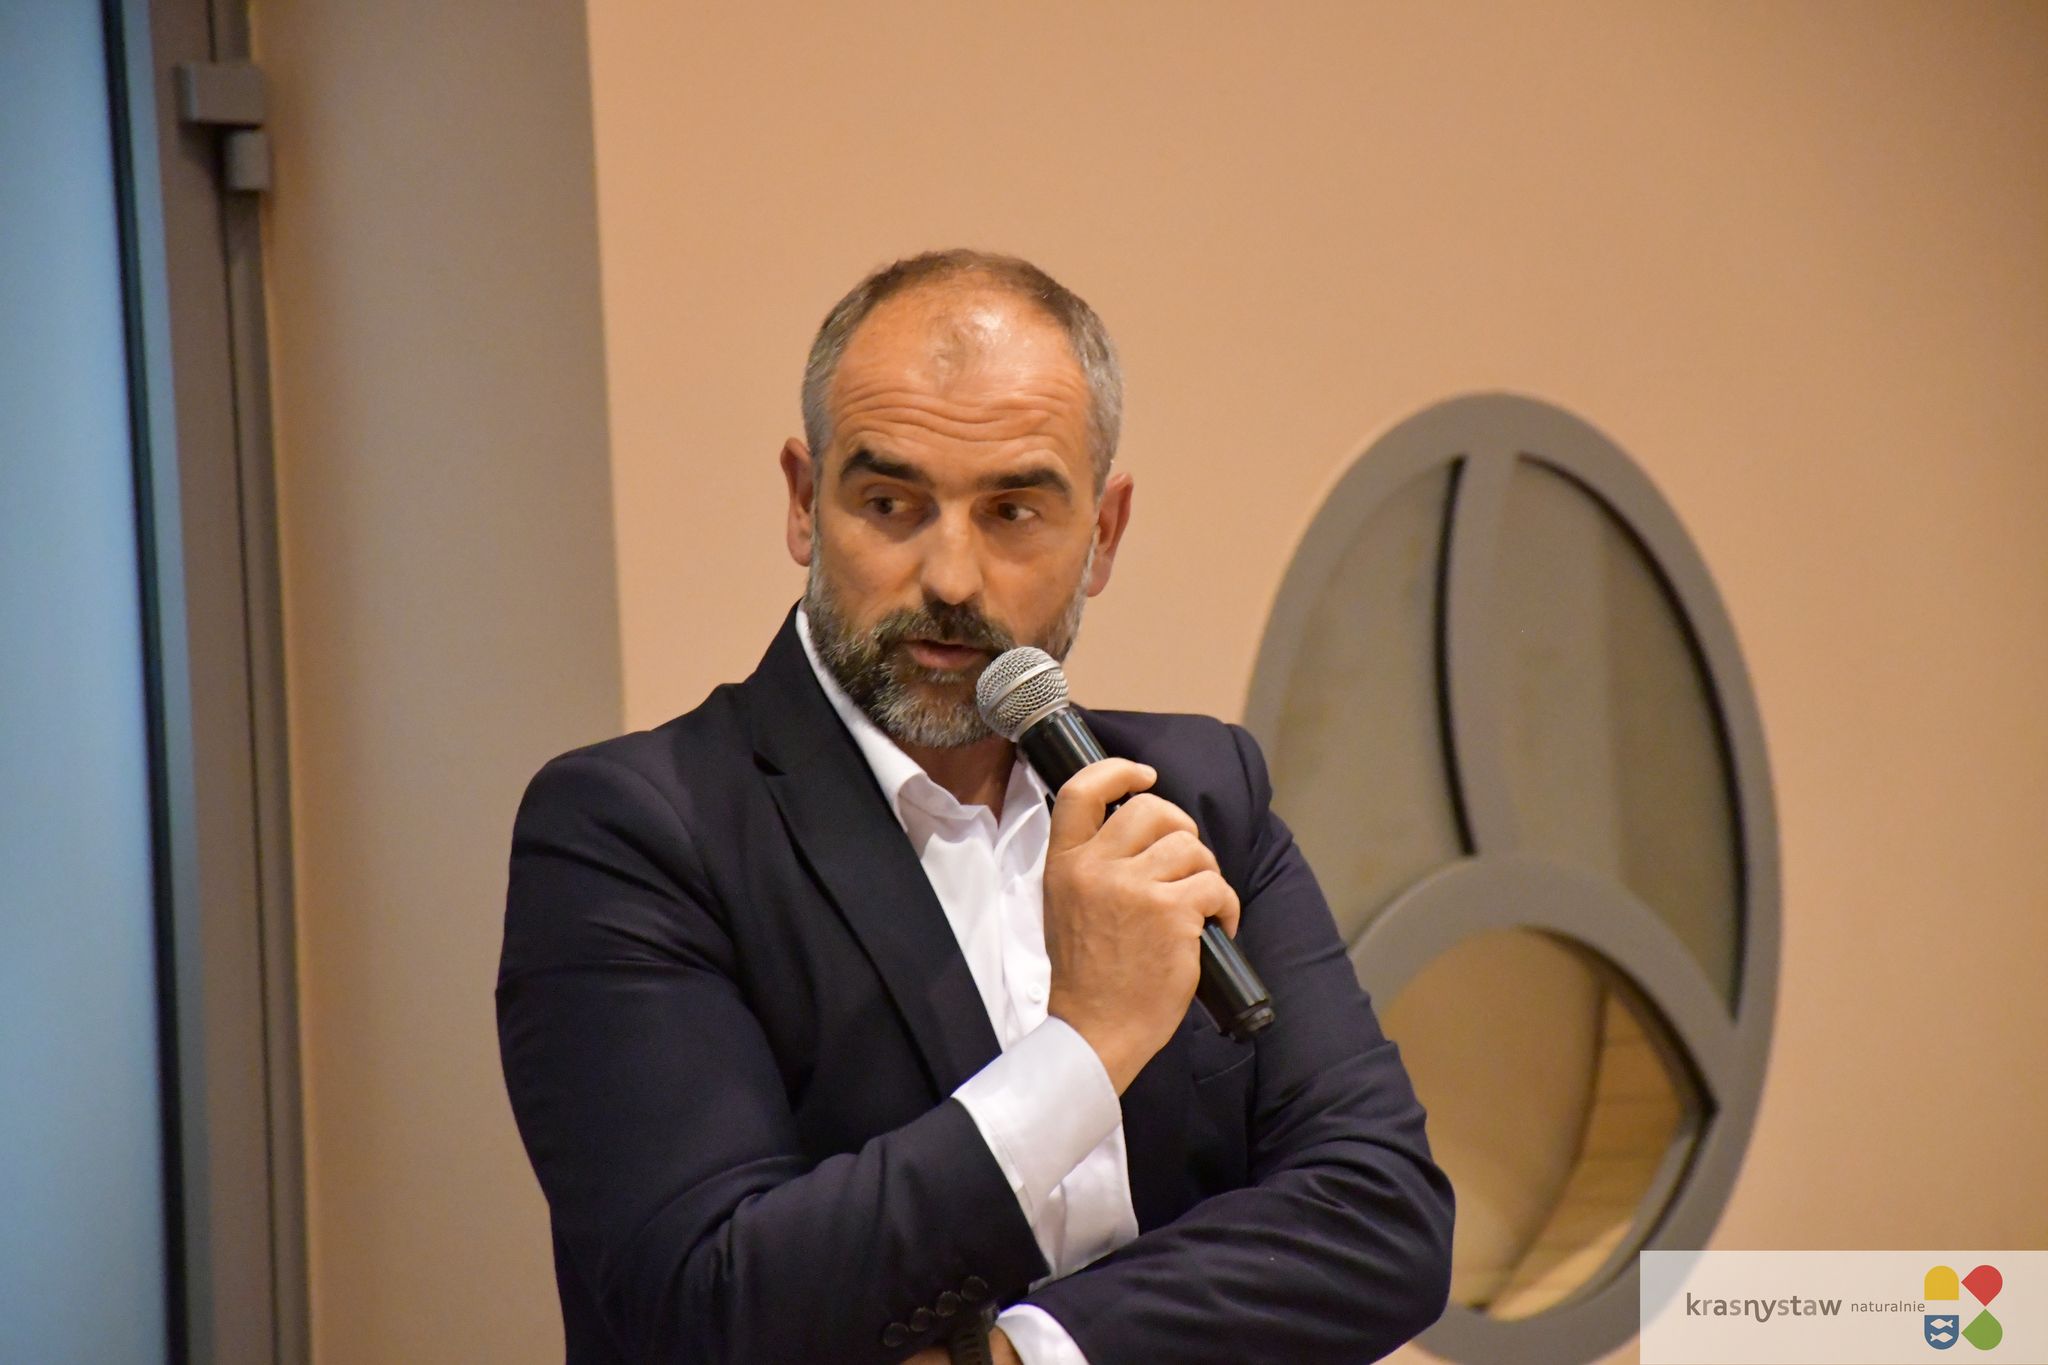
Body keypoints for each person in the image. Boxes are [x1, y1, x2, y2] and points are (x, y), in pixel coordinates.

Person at [496, 250, 1454, 1365]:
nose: (951, 576)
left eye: (1012, 512)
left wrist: (1018, 1356)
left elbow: (1381, 1217)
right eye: (890, 504)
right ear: (804, 503)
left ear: (1102, 535)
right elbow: (714, 1302)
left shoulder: (1196, 792)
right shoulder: (634, 831)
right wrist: (1086, 1045)